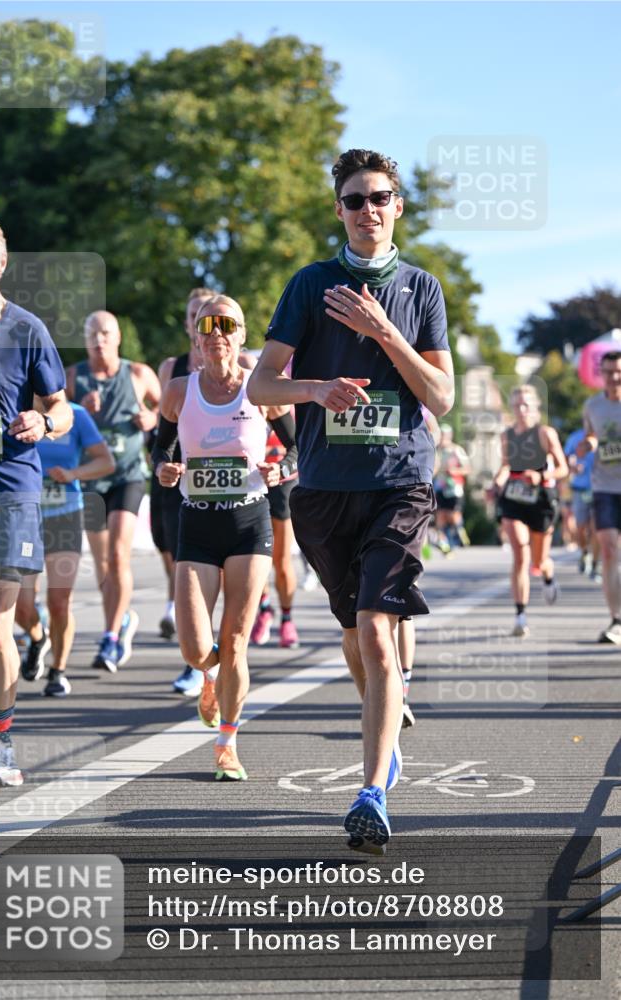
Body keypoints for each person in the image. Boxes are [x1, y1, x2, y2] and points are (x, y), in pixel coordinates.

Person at [248, 148, 453, 853]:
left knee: (374, 623)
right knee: (350, 632)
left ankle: (371, 792)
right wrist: (313, 390)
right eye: (355, 199)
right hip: (326, 489)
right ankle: (384, 721)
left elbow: (441, 397)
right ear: (338, 209)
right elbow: (260, 386)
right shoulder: (309, 285)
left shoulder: (422, 289)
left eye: (381, 197)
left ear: (398, 206)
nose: (369, 209)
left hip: (400, 480)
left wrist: (381, 333)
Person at [153, 294, 297, 781]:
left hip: (248, 521)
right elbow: (161, 449)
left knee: (234, 640)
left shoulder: (260, 389)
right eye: (207, 325)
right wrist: (166, 469)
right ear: (195, 335)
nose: (216, 333)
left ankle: (227, 743)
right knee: (195, 648)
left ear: (241, 333)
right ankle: (208, 677)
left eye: (226, 325)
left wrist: (281, 470)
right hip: (196, 522)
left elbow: (297, 450)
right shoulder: (177, 390)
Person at [0, 213, 72, 785]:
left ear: (1, 264)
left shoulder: (28, 330)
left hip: (9, 492)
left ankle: (1, 742)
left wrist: (43, 421)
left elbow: (63, 409)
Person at [66, 311, 161, 672]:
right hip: (91, 479)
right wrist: (77, 412)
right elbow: (50, 418)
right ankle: (121, 620)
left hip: (128, 475)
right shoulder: (74, 377)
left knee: (119, 556)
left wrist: (151, 419)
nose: (99, 339)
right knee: (104, 563)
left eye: (105, 332)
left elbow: (169, 408)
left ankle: (109, 638)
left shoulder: (137, 374)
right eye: (92, 333)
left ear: (118, 337)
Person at [15, 402, 115, 696]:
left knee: (59, 601)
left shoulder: (74, 415)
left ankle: (58, 671)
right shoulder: (10, 412)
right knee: (21, 607)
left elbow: (105, 461)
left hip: (65, 514)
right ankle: (37, 638)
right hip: (23, 517)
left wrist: (74, 474)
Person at [149, 288, 214, 654]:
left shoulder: (242, 369)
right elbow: (165, 424)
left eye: (204, 314)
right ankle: (181, 606)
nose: (197, 322)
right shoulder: (171, 369)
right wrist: (162, 463)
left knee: (211, 557)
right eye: (192, 315)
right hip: (176, 472)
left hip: (222, 478)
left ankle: (197, 625)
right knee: (170, 545)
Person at [493, 385, 568, 637]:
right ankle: (520, 615)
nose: (521, 410)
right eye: (517, 405)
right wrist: (498, 481)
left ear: (535, 407)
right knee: (520, 554)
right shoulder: (506, 436)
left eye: (526, 405)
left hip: (541, 500)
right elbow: (505, 466)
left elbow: (562, 468)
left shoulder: (545, 433)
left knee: (538, 561)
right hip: (514, 498)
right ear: (512, 408)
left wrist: (541, 476)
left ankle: (548, 576)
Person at [578, 350, 621, 644]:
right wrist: (587, 445)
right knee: (607, 550)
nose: (613, 377)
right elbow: (591, 435)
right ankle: (616, 619)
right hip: (605, 486)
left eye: (618, 371)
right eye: (608, 372)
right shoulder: (592, 405)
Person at [250, 408, 300, 649]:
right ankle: (264, 607)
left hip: (282, 480)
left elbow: (297, 441)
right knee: (253, 556)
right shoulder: (239, 377)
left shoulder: (292, 380)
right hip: (250, 478)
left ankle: (287, 619)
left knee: (281, 561)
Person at [563, 426, 600, 582]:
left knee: (596, 529)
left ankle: (595, 564)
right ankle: (584, 552)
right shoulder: (575, 437)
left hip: (601, 489)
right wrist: (572, 467)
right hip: (580, 489)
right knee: (580, 527)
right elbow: (565, 457)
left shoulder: (607, 436)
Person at [433, 423, 471, 552]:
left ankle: (459, 529)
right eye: (441, 435)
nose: (443, 437)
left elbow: (467, 469)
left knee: (453, 515)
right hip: (439, 487)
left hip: (454, 488)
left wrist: (454, 471)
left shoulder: (457, 450)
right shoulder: (436, 450)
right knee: (440, 515)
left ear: (450, 436)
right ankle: (443, 543)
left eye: (445, 435)